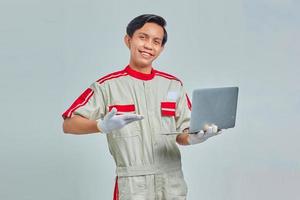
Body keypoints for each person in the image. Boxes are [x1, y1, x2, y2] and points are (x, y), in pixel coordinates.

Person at [62, 14, 221, 200]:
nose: (148, 46)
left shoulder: (173, 85)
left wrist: (196, 137)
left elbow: (182, 134)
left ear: (161, 48)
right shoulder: (106, 86)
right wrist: (101, 126)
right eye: (142, 37)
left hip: (172, 182)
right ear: (128, 40)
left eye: (156, 41)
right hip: (133, 184)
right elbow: (69, 124)